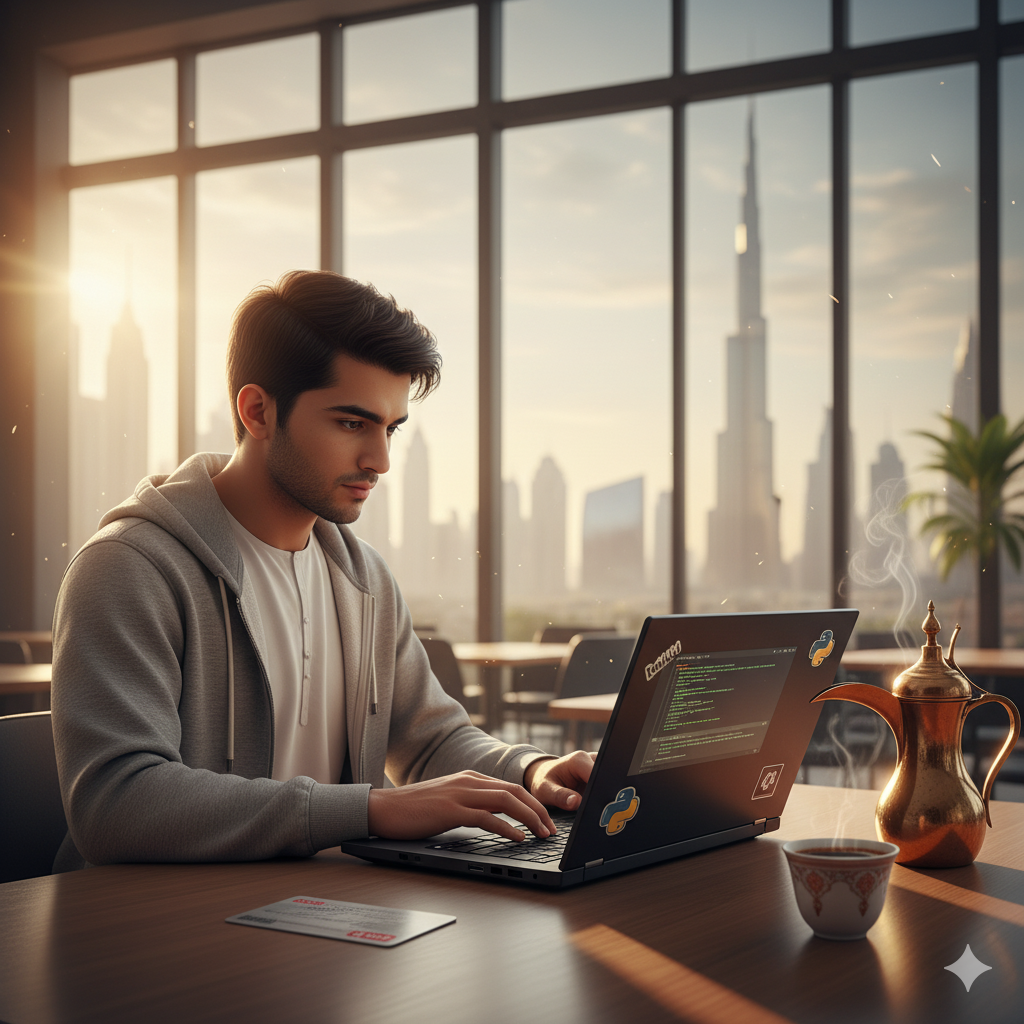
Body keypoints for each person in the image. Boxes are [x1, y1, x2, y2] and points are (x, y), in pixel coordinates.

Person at [50, 270, 594, 870]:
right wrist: (371, 810)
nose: (380, 460)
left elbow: (432, 740)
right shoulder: (129, 569)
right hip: (161, 930)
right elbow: (117, 803)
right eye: (352, 423)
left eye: (390, 429)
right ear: (258, 411)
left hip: (322, 917)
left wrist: (531, 770)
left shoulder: (364, 580)